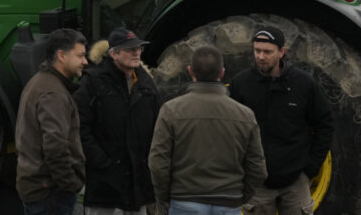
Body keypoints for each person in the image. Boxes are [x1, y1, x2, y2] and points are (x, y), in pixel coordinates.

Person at [148, 46, 266, 215]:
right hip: (228, 201)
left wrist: (164, 198)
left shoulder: (171, 110)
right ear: (222, 73)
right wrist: (240, 197)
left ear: (190, 71)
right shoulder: (245, 115)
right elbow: (258, 168)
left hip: (184, 199)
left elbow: (158, 163)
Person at [229, 27, 334, 214]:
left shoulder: (304, 84)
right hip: (256, 184)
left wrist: (310, 169)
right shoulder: (240, 84)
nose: (261, 56)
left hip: (296, 181)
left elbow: (325, 124)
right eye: (257, 50)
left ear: (281, 52)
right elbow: (229, 130)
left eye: (267, 52)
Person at [75, 28, 161, 214]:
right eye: (130, 49)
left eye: (138, 48)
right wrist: (103, 163)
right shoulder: (92, 82)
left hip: (138, 185)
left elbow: (157, 127)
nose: (136, 53)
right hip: (104, 185)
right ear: (113, 53)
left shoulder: (147, 84)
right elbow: (80, 128)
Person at [16, 28, 88, 215]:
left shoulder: (41, 82)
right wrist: (70, 184)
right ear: (62, 56)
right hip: (50, 193)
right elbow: (55, 147)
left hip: (41, 188)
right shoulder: (53, 94)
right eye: (80, 56)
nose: (85, 62)